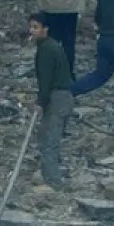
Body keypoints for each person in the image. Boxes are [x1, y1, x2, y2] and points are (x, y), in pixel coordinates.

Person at [28, 14, 73, 191]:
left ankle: (55, 182)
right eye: (31, 27)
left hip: (57, 98)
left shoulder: (46, 50)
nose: (32, 31)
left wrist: (41, 102)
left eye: (36, 27)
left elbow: (46, 80)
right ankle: (55, 174)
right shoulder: (52, 46)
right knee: (51, 138)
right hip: (64, 97)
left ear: (45, 29)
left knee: (48, 141)